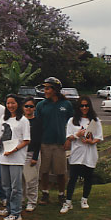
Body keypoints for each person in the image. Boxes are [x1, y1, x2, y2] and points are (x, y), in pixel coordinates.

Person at [60, 96, 103, 214]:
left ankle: (84, 199)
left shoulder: (95, 120)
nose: (84, 108)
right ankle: (68, 202)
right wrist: (77, 134)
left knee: (88, 177)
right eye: (82, 106)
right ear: (78, 107)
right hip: (77, 153)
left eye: (86, 105)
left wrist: (91, 141)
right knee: (73, 178)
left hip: (90, 153)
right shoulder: (72, 121)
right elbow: (69, 137)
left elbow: (99, 137)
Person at [0, 94, 30, 220]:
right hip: (4, 157)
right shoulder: (4, 118)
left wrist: (15, 150)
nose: (10, 106)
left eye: (13, 103)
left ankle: (16, 212)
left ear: (18, 104)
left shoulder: (23, 120)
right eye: (8, 103)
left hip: (16, 158)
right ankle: (8, 208)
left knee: (16, 187)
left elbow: (26, 140)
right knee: (6, 186)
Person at [35, 77, 73, 205]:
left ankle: (62, 195)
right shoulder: (41, 105)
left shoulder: (66, 105)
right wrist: (37, 143)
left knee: (61, 172)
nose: (45, 90)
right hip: (44, 143)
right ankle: (45, 194)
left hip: (60, 144)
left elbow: (73, 123)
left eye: (47, 88)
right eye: (44, 88)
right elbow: (37, 125)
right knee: (44, 171)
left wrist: (69, 139)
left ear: (55, 89)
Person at [22, 97, 42, 212]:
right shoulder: (19, 120)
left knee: (31, 180)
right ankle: (21, 200)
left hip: (32, 153)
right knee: (20, 180)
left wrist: (35, 157)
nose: (28, 108)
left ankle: (32, 202)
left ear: (34, 108)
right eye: (26, 106)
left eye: (31, 106)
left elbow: (38, 140)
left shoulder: (38, 122)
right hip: (20, 154)